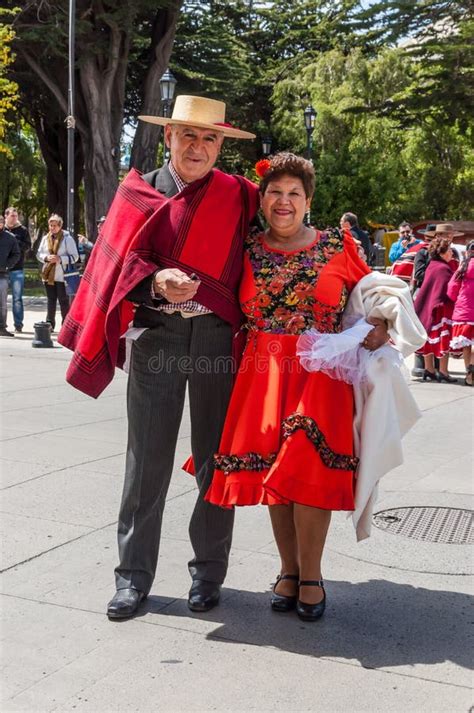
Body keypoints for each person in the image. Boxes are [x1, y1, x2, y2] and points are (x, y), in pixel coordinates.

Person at [57, 95, 259, 620]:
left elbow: (279, 248)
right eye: (187, 135)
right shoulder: (138, 191)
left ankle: (208, 574)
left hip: (218, 340)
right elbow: (115, 271)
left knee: (216, 462)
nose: (198, 147)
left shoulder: (241, 196)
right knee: (145, 462)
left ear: (221, 145)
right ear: (168, 136)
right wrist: (153, 282)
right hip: (157, 338)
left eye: (209, 138)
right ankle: (132, 578)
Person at [204, 153, 424, 622]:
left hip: (320, 376)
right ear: (262, 200)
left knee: (306, 474)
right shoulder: (244, 248)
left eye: (294, 194)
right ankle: (287, 569)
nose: (284, 202)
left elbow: (378, 293)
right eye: (275, 193)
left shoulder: (336, 247)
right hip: (261, 374)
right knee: (275, 478)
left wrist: (382, 323)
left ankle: (312, 574)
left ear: (308, 201)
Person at [414, 235, 459, 382]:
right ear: (442, 252)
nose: (452, 253)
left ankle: (429, 369)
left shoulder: (432, 265)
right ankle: (443, 372)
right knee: (442, 340)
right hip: (440, 311)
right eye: (449, 250)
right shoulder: (443, 268)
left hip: (428, 309)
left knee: (428, 339)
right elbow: (447, 291)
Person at [36, 214, 79, 331]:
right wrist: (46, 258)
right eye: (50, 225)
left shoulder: (67, 239)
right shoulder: (45, 238)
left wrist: (60, 259)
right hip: (48, 275)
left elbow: (75, 257)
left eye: (55, 225)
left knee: (63, 300)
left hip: (62, 276)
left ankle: (66, 326)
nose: (52, 228)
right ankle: (50, 325)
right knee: (51, 300)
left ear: (60, 226)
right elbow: (39, 254)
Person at [447, 240, 474, 386]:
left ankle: (468, 373)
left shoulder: (462, 267)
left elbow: (451, 289)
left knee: (466, 344)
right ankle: (473, 371)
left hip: (464, 312)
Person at [4, 207, 31, 333]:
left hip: (17, 268)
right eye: (12, 216)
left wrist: (14, 240)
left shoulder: (22, 230)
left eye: (16, 216)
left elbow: (27, 246)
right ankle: (1, 324)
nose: (15, 218)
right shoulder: (1, 229)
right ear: (6, 216)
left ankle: (18, 324)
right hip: (2, 269)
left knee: (17, 298)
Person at [0, 215, 21, 337]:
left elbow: (16, 254)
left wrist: (7, 266)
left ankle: (2, 327)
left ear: (3, 224)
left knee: (2, 302)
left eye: (1, 222)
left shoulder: (10, 238)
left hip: (2, 274)